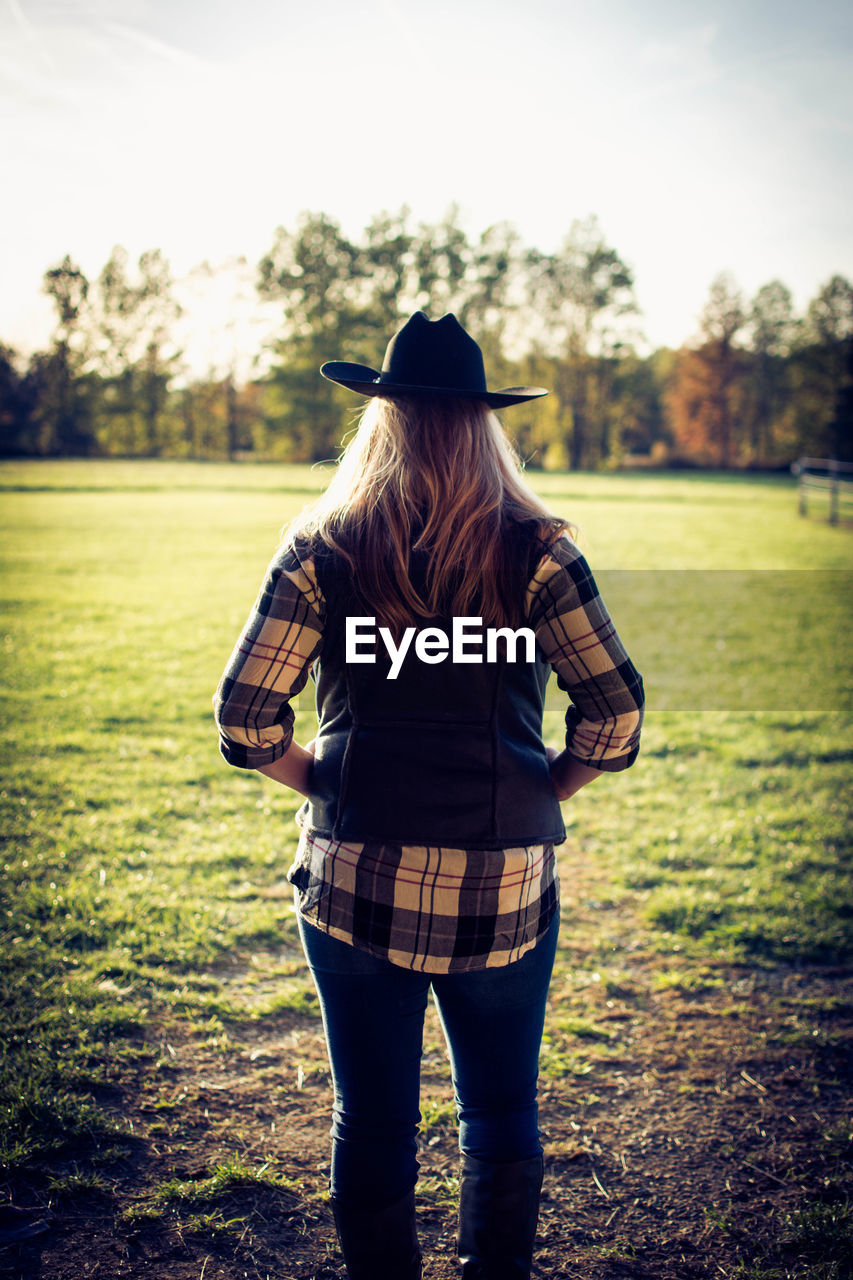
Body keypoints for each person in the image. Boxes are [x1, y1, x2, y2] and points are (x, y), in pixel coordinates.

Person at [214, 311, 644, 1280]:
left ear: (381, 419)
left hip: (355, 873)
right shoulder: (539, 549)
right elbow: (614, 712)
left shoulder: (325, 545)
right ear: (485, 424)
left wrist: (316, 774)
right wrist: (545, 781)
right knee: (501, 1114)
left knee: (369, 1118)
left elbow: (245, 717)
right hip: (503, 882)